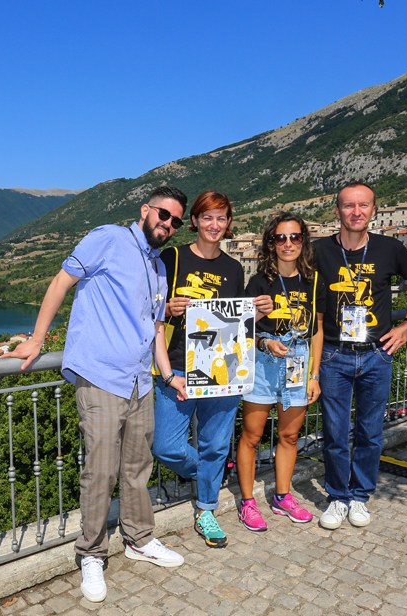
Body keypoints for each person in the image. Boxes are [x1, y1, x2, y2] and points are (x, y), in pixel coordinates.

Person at [5, 186, 188, 603]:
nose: (168, 224)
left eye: (176, 221)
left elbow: (156, 330)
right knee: (101, 471)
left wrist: (168, 375)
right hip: (102, 377)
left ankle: (140, 539)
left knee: (137, 468)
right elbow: (61, 280)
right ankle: (90, 552)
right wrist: (37, 339)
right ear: (146, 210)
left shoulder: (159, 268)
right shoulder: (108, 238)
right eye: (164, 215)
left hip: (140, 381)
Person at [313, 181, 407, 530]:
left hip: (377, 354)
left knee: (370, 431)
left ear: (374, 210)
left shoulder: (390, 248)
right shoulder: (319, 250)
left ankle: (360, 495)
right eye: (349, 205)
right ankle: (337, 496)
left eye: (363, 205)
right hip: (333, 354)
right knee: (334, 432)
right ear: (337, 211)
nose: (356, 212)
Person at [151, 191, 246, 549]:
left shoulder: (234, 269)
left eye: (221, 218)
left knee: (216, 442)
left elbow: (235, 322)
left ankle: (206, 509)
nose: (214, 225)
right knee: (166, 446)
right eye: (207, 217)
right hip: (176, 366)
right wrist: (168, 309)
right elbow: (149, 310)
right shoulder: (172, 258)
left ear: (228, 223)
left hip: (222, 367)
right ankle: (212, 471)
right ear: (194, 221)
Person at [235, 213, 324, 532]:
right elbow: (242, 328)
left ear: (304, 241)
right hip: (263, 363)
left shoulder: (313, 281)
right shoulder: (258, 282)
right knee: (252, 436)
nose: (288, 244)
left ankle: (282, 497)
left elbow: (317, 329)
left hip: (298, 363)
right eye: (280, 238)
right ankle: (248, 502)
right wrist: (264, 338)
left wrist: (314, 375)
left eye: (295, 237)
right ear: (271, 244)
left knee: (289, 436)